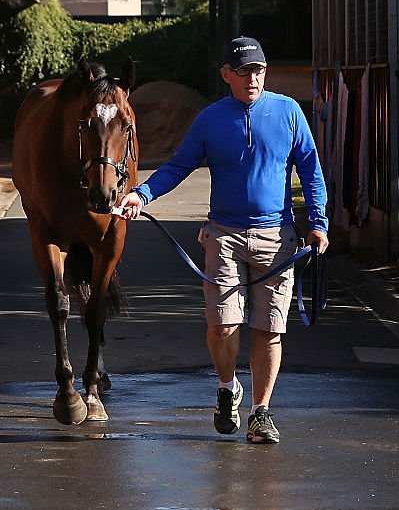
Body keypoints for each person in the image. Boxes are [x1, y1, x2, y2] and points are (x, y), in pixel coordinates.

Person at [117, 36, 329, 444]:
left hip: (277, 238)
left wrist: (318, 224)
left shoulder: (288, 112)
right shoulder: (211, 119)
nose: (253, 78)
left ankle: (261, 413)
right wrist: (140, 195)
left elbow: (312, 172)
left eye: (259, 70)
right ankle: (228, 388)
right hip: (224, 236)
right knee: (222, 324)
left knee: (269, 329)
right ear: (226, 75)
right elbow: (177, 167)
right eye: (244, 71)